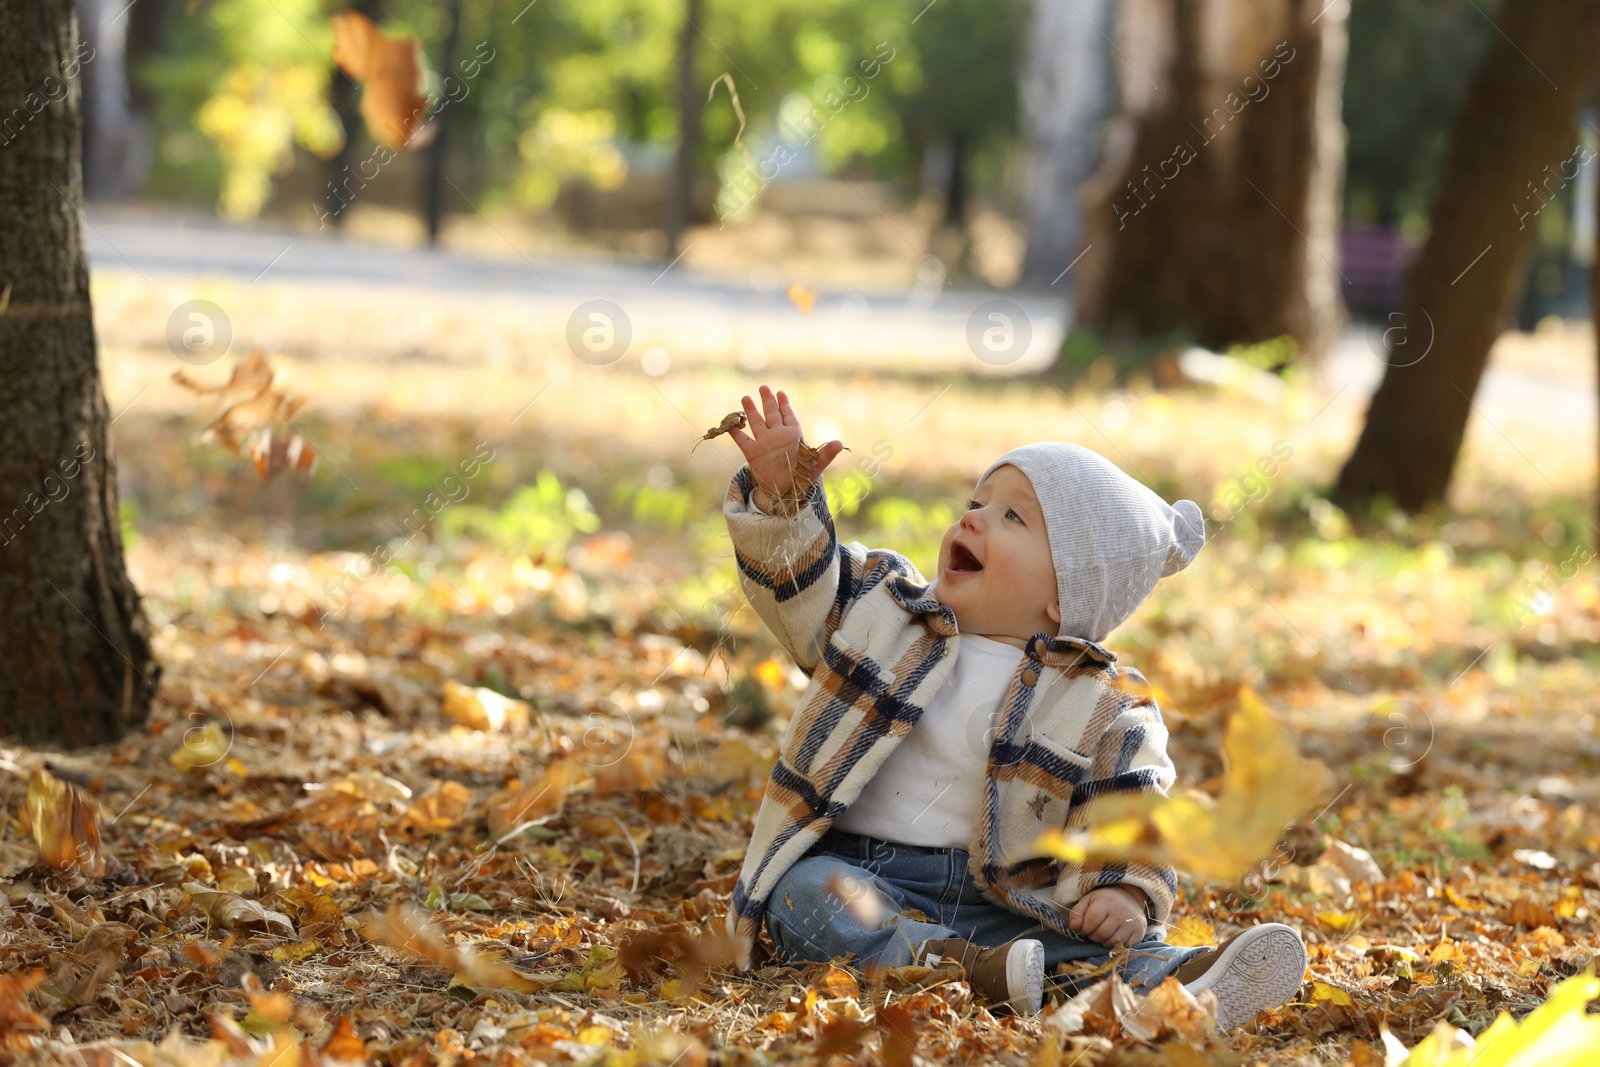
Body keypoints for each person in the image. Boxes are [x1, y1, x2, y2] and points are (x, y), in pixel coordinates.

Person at [719, 385, 1306, 1029]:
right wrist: (784, 502)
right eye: (976, 504)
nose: (971, 519)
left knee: (1078, 946)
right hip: (860, 871)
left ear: (1068, 595)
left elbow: (1132, 802)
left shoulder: (1099, 698)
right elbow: (801, 590)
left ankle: (1183, 979)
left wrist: (1125, 888)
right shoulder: (884, 613)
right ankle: (957, 967)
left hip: (1002, 898)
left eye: (1012, 518)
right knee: (802, 896)